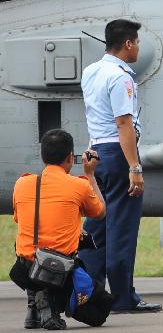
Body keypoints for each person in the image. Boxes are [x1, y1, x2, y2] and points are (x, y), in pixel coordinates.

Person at [79, 19, 162, 314]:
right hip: (117, 153)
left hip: (96, 152)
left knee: (97, 228)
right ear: (127, 44)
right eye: (137, 42)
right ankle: (124, 298)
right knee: (122, 230)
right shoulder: (121, 77)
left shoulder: (90, 72)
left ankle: (88, 295)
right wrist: (135, 167)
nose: (138, 47)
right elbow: (123, 122)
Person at [10, 130, 106, 330]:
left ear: (43, 156)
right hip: (57, 270)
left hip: (25, 267)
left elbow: (19, 219)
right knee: (100, 311)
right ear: (70, 158)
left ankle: (33, 306)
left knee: (30, 245)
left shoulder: (22, 183)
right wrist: (90, 175)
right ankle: (49, 304)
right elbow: (99, 212)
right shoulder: (79, 185)